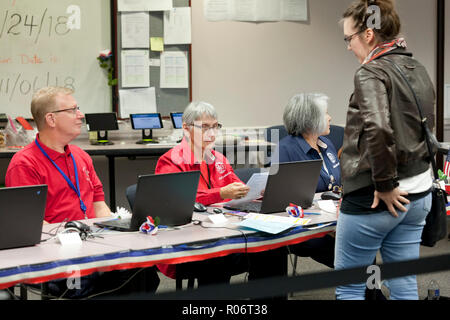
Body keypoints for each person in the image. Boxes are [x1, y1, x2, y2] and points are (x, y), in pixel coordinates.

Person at [5, 87, 159, 298]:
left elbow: (98, 203)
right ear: (51, 119)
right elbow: (32, 226)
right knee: (85, 286)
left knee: (144, 270)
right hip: (58, 256)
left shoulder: (81, 156)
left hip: (93, 245)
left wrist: (116, 236)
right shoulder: (24, 164)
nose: (80, 115)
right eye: (73, 110)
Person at [336, 0, 435, 300]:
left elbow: (378, 130)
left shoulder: (370, 72)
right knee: (403, 282)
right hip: (419, 194)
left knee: (351, 286)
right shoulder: (416, 67)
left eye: (348, 38)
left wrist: (385, 184)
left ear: (368, 35)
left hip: (377, 197)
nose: (348, 47)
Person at [155, 101, 286, 291]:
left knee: (274, 249)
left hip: (226, 232)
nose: (212, 133)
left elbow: (238, 188)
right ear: (186, 129)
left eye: (215, 126)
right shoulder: (170, 161)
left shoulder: (218, 158)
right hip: (189, 241)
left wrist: (258, 191)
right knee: (218, 257)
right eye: (205, 127)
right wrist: (221, 193)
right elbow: (178, 203)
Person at [277, 93, 338, 269]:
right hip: (306, 227)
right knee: (354, 250)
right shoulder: (285, 149)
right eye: (326, 113)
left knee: (363, 241)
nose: (330, 117)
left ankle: (369, 292)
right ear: (310, 119)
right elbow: (282, 201)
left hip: (333, 221)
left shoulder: (327, 144)